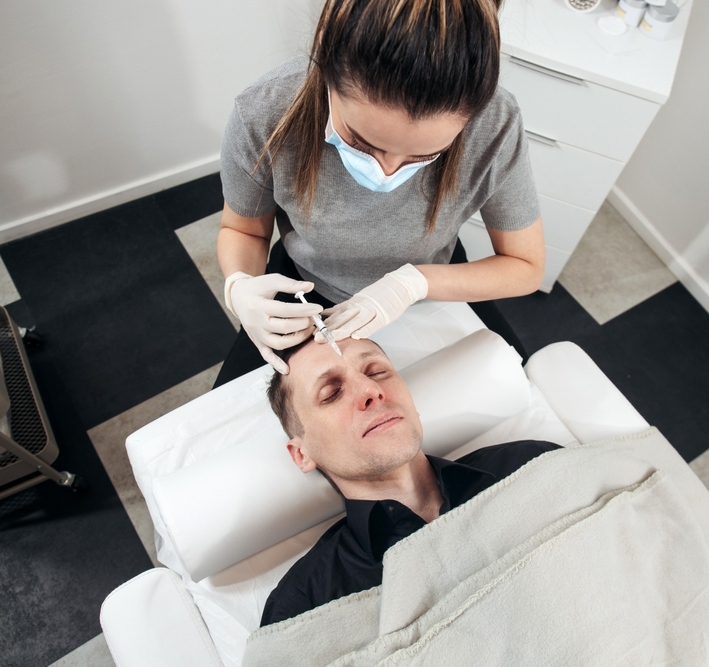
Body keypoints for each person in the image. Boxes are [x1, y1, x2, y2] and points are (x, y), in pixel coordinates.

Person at [215, 0, 544, 386]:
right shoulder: (264, 114)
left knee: (520, 387)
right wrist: (240, 286)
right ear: (324, 59)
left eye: (425, 155)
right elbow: (244, 230)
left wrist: (413, 283)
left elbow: (526, 266)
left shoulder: (495, 123)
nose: (387, 172)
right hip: (306, 288)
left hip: (432, 283)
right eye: (363, 143)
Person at [260, 334, 559, 627]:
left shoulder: (533, 463)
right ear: (302, 454)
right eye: (331, 393)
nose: (371, 389)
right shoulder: (303, 607)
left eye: (377, 372)